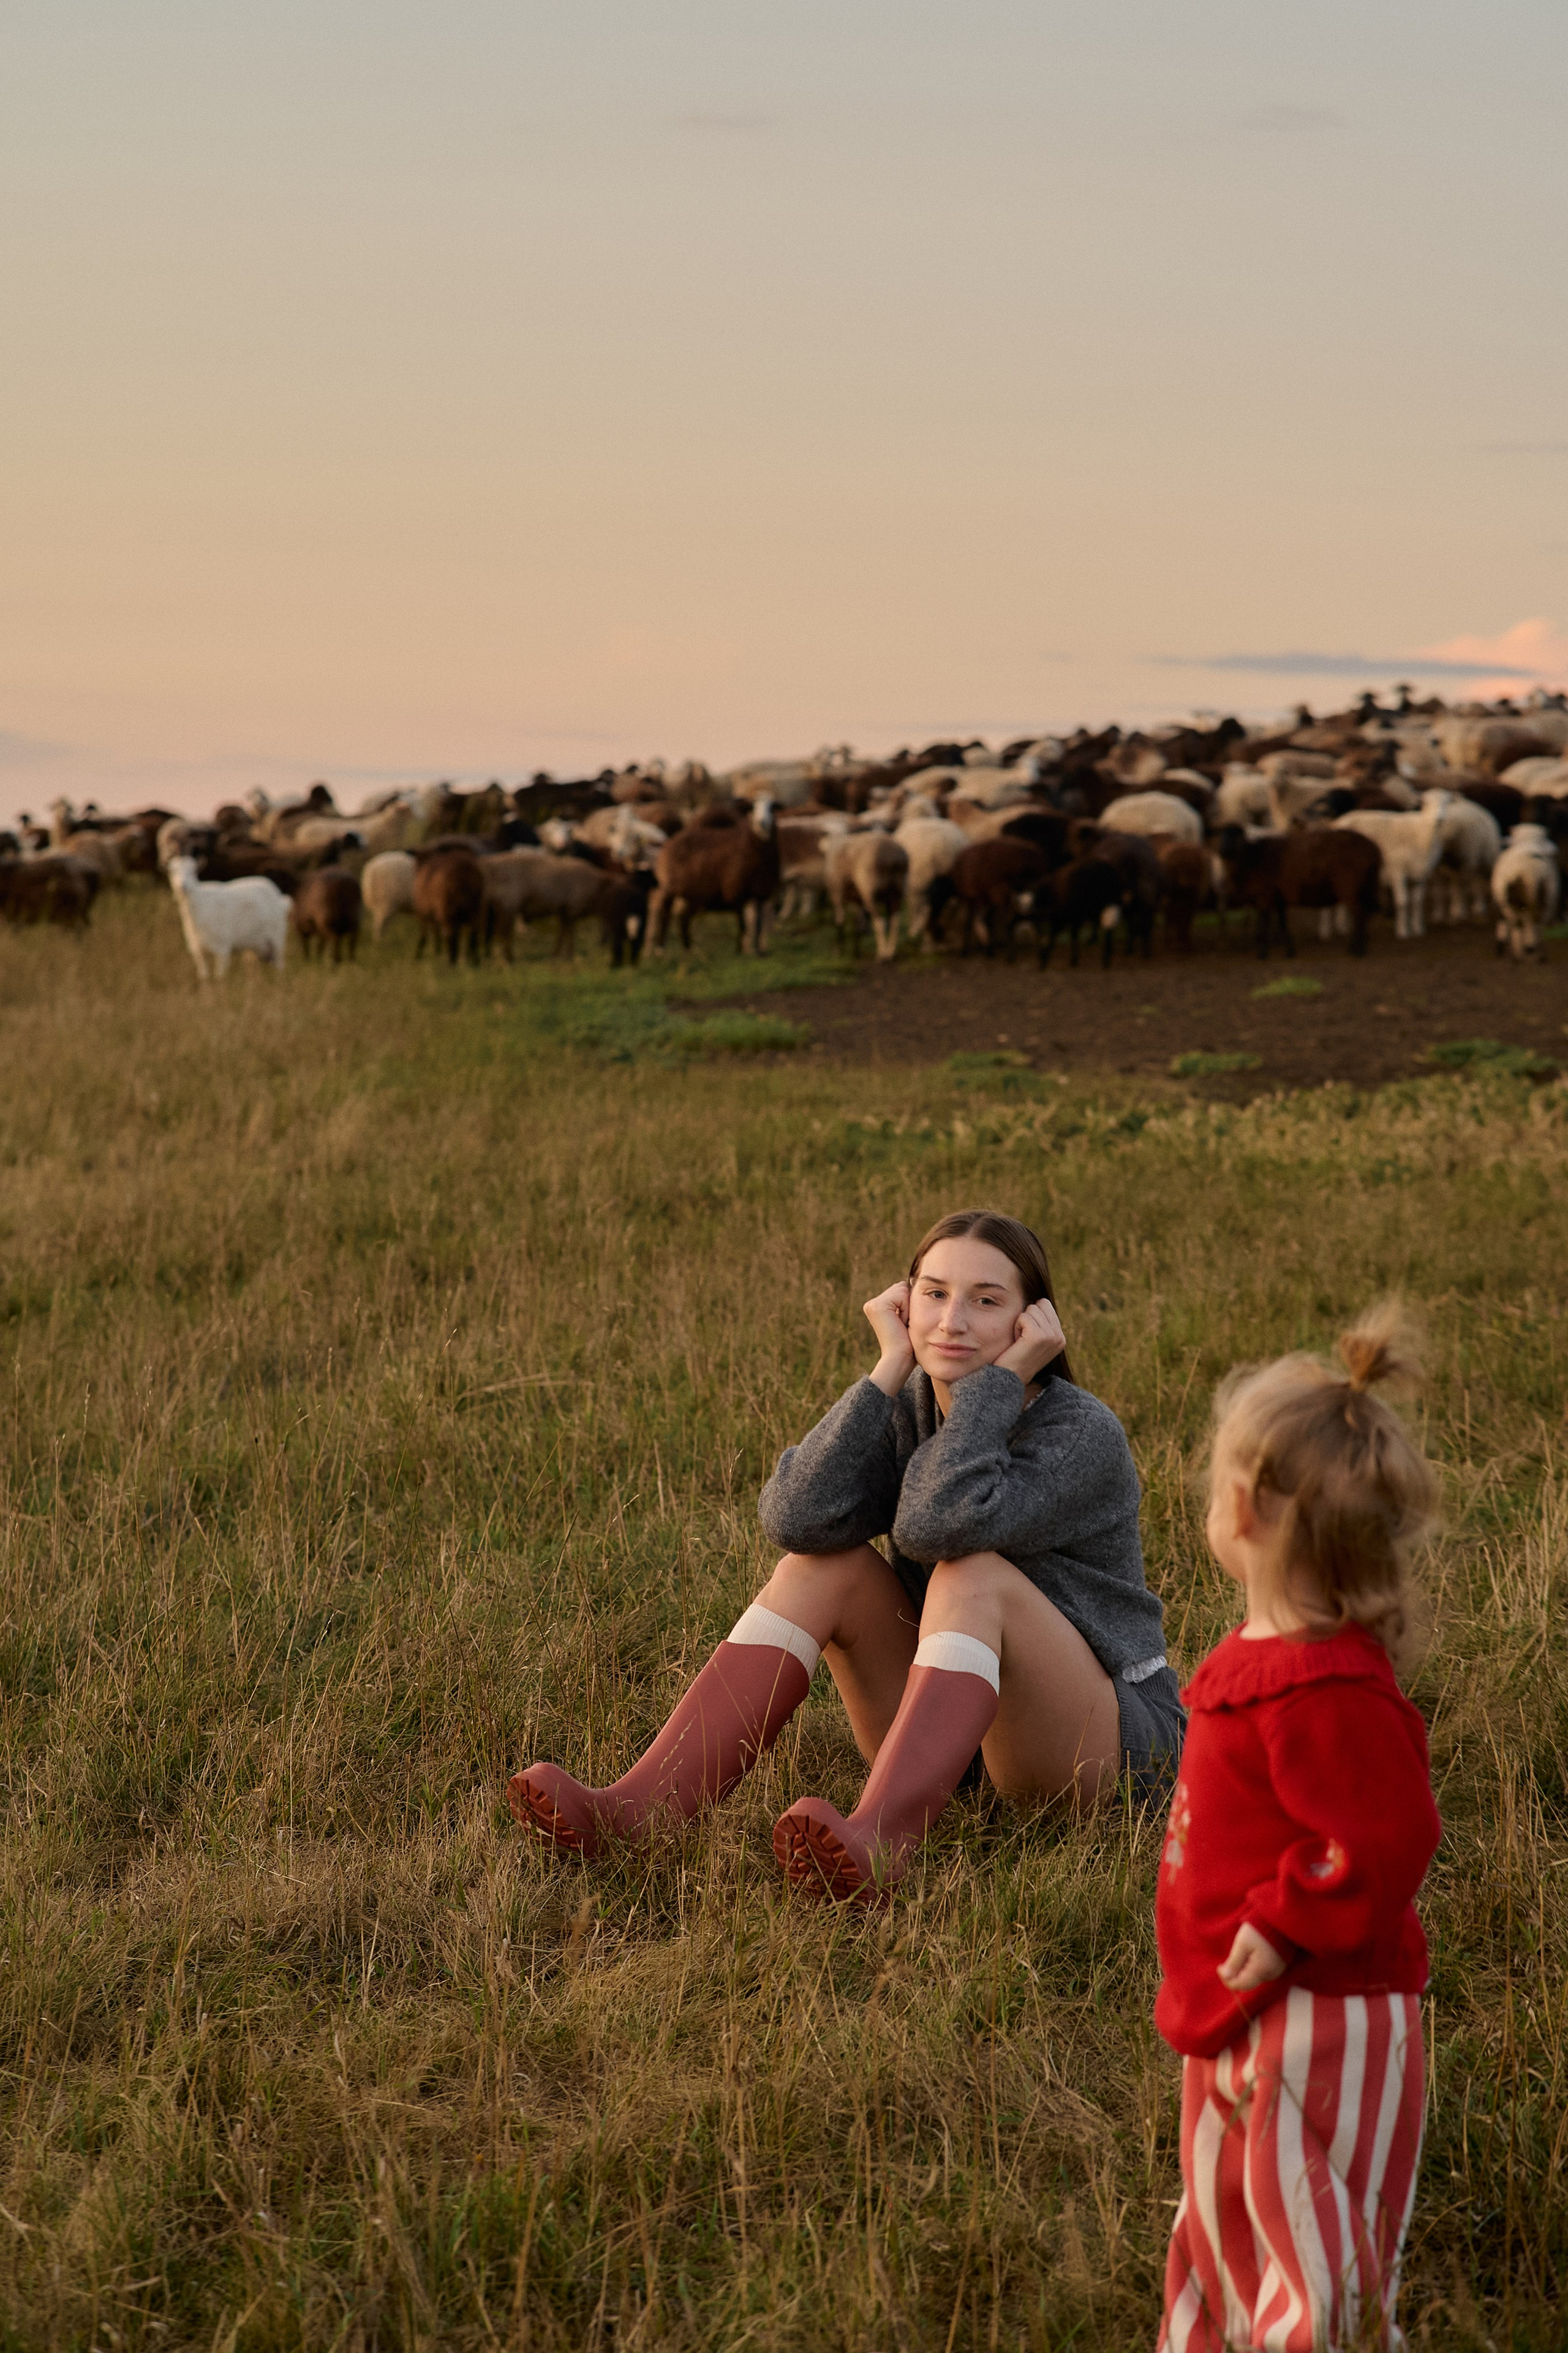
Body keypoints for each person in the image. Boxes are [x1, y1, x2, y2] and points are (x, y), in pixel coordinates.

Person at [507, 1207, 1182, 1900]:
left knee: (973, 1573)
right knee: (820, 1565)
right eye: (934, 1292)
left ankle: (880, 1845)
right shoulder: (913, 1402)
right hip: (963, 1742)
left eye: (986, 1300)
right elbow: (796, 1518)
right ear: (903, 1298)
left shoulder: (1078, 1433)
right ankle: (636, 1812)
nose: (951, 1319)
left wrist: (996, 1388)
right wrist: (888, 1369)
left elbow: (933, 1526)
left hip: (1114, 1749)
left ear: (1030, 1323)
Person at [1154, 1306, 1441, 2353]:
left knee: (1311, 2239)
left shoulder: (1330, 1688)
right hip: (1237, 2001)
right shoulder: (1262, 1648)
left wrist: (1284, 1917)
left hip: (1319, 2012)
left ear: (1252, 1506)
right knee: (1224, 2207)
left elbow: (1386, 1831)